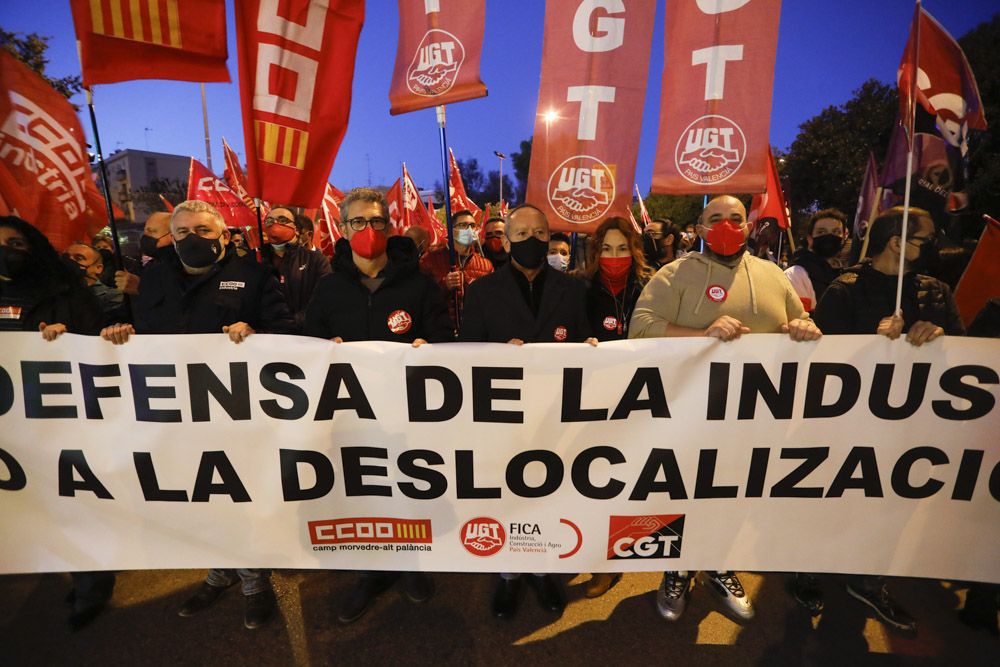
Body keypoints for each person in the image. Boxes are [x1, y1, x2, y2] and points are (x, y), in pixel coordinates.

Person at [100, 200, 294, 630]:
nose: (193, 239)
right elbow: (136, 323)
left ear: (223, 235)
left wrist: (256, 333)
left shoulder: (255, 275)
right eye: (183, 231)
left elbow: (284, 331)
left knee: (238, 492)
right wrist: (119, 328)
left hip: (235, 410)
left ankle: (254, 579)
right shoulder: (153, 277)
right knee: (197, 491)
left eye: (204, 231)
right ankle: (219, 569)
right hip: (175, 412)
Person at [629, 195, 821, 623]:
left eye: (736, 219)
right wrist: (700, 334)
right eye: (716, 219)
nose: (728, 226)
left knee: (733, 492)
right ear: (698, 229)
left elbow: (804, 323)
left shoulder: (772, 275)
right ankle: (677, 568)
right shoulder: (673, 274)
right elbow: (639, 327)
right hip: (687, 414)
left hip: (754, 415)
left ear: (749, 228)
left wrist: (802, 328)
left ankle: (717, 564)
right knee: (683, 492)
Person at [811, 207, 963, 634]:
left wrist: (938, 337)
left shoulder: (937, 291)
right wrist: (871, 347)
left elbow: (966, 358)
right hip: (848, 429)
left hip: (908, 430)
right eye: (927, 238)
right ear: (897, 242)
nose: (934, 245)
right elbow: (818, 365)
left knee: (890, 509)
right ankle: (809, 570)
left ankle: (870, 580)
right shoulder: (846, 290)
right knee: (833, 503)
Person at [304, 187, 452, 624]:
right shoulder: (329, 289)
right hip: (352, 419)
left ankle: (411, 563)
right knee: (364, 492)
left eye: (376, 222)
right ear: (343, 230)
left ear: (388, 228)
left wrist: (430, 347)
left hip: (408, 416)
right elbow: (309, 344)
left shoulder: (421, 285)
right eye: (358, 222)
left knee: (408, 489)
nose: (368, 230)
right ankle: (370, 570)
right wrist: (322, 350)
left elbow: (445, 338)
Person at [459, 203, 596, 619]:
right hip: (503, 418)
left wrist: (591, 351)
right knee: (508, 496)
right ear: (506, 240)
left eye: (540, 233)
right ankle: (509, 575)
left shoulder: (573, 290)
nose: (532, 242)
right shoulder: (483, 292)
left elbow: (589, 344)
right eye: (522, 235)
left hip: (557, 417)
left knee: (550, 494)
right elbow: (466, 353)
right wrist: (496, 355)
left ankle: (542, 569)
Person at [0, 217, 111, 630]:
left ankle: (92, 582)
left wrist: (67, 341)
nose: (7, 251)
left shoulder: (66, 293)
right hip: (11, 429)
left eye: (15, 243)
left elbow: (99, 343)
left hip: (64, 420)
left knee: (72, 503)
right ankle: (81, 573)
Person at [577, 216, 655, 598]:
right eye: (606, 249)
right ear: (595, 253)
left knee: (634, 482)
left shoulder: (653, 286)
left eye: (622, 248)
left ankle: (620, 554)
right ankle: (597, 561)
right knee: (597, 481)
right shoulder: (580, 288)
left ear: (635, 250)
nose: (614, 256)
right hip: (595, 400)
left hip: (643, 399)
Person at [420, 210, 493, 332]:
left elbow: (491, 303)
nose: (469, 230)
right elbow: (421, 297)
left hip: (474, 333)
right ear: (451, 230)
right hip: (441, 333)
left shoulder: (485, 265)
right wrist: (444, 285)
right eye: (463, 225)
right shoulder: (430, 259)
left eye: (472, 226)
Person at [263, 207, 331, 331]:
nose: (275, 224)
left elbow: (323, 302)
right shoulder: (254, 259)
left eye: (282, 220)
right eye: (269, 221)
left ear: (297, 229)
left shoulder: (316, 260)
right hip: (263, 336)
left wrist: (291, 324)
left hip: (303, 335)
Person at [784, 208, 848, 312]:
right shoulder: (796, 275)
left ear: (844, 238)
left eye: (836, 232)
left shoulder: (846, 276)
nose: (829, 236)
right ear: (810, 239)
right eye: (821, 232)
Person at [63, 243, 127, 326]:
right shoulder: (57, 296)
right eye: (65, 257)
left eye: (79, 258)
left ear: (98, 268)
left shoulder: (113, 297)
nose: (70, 261)